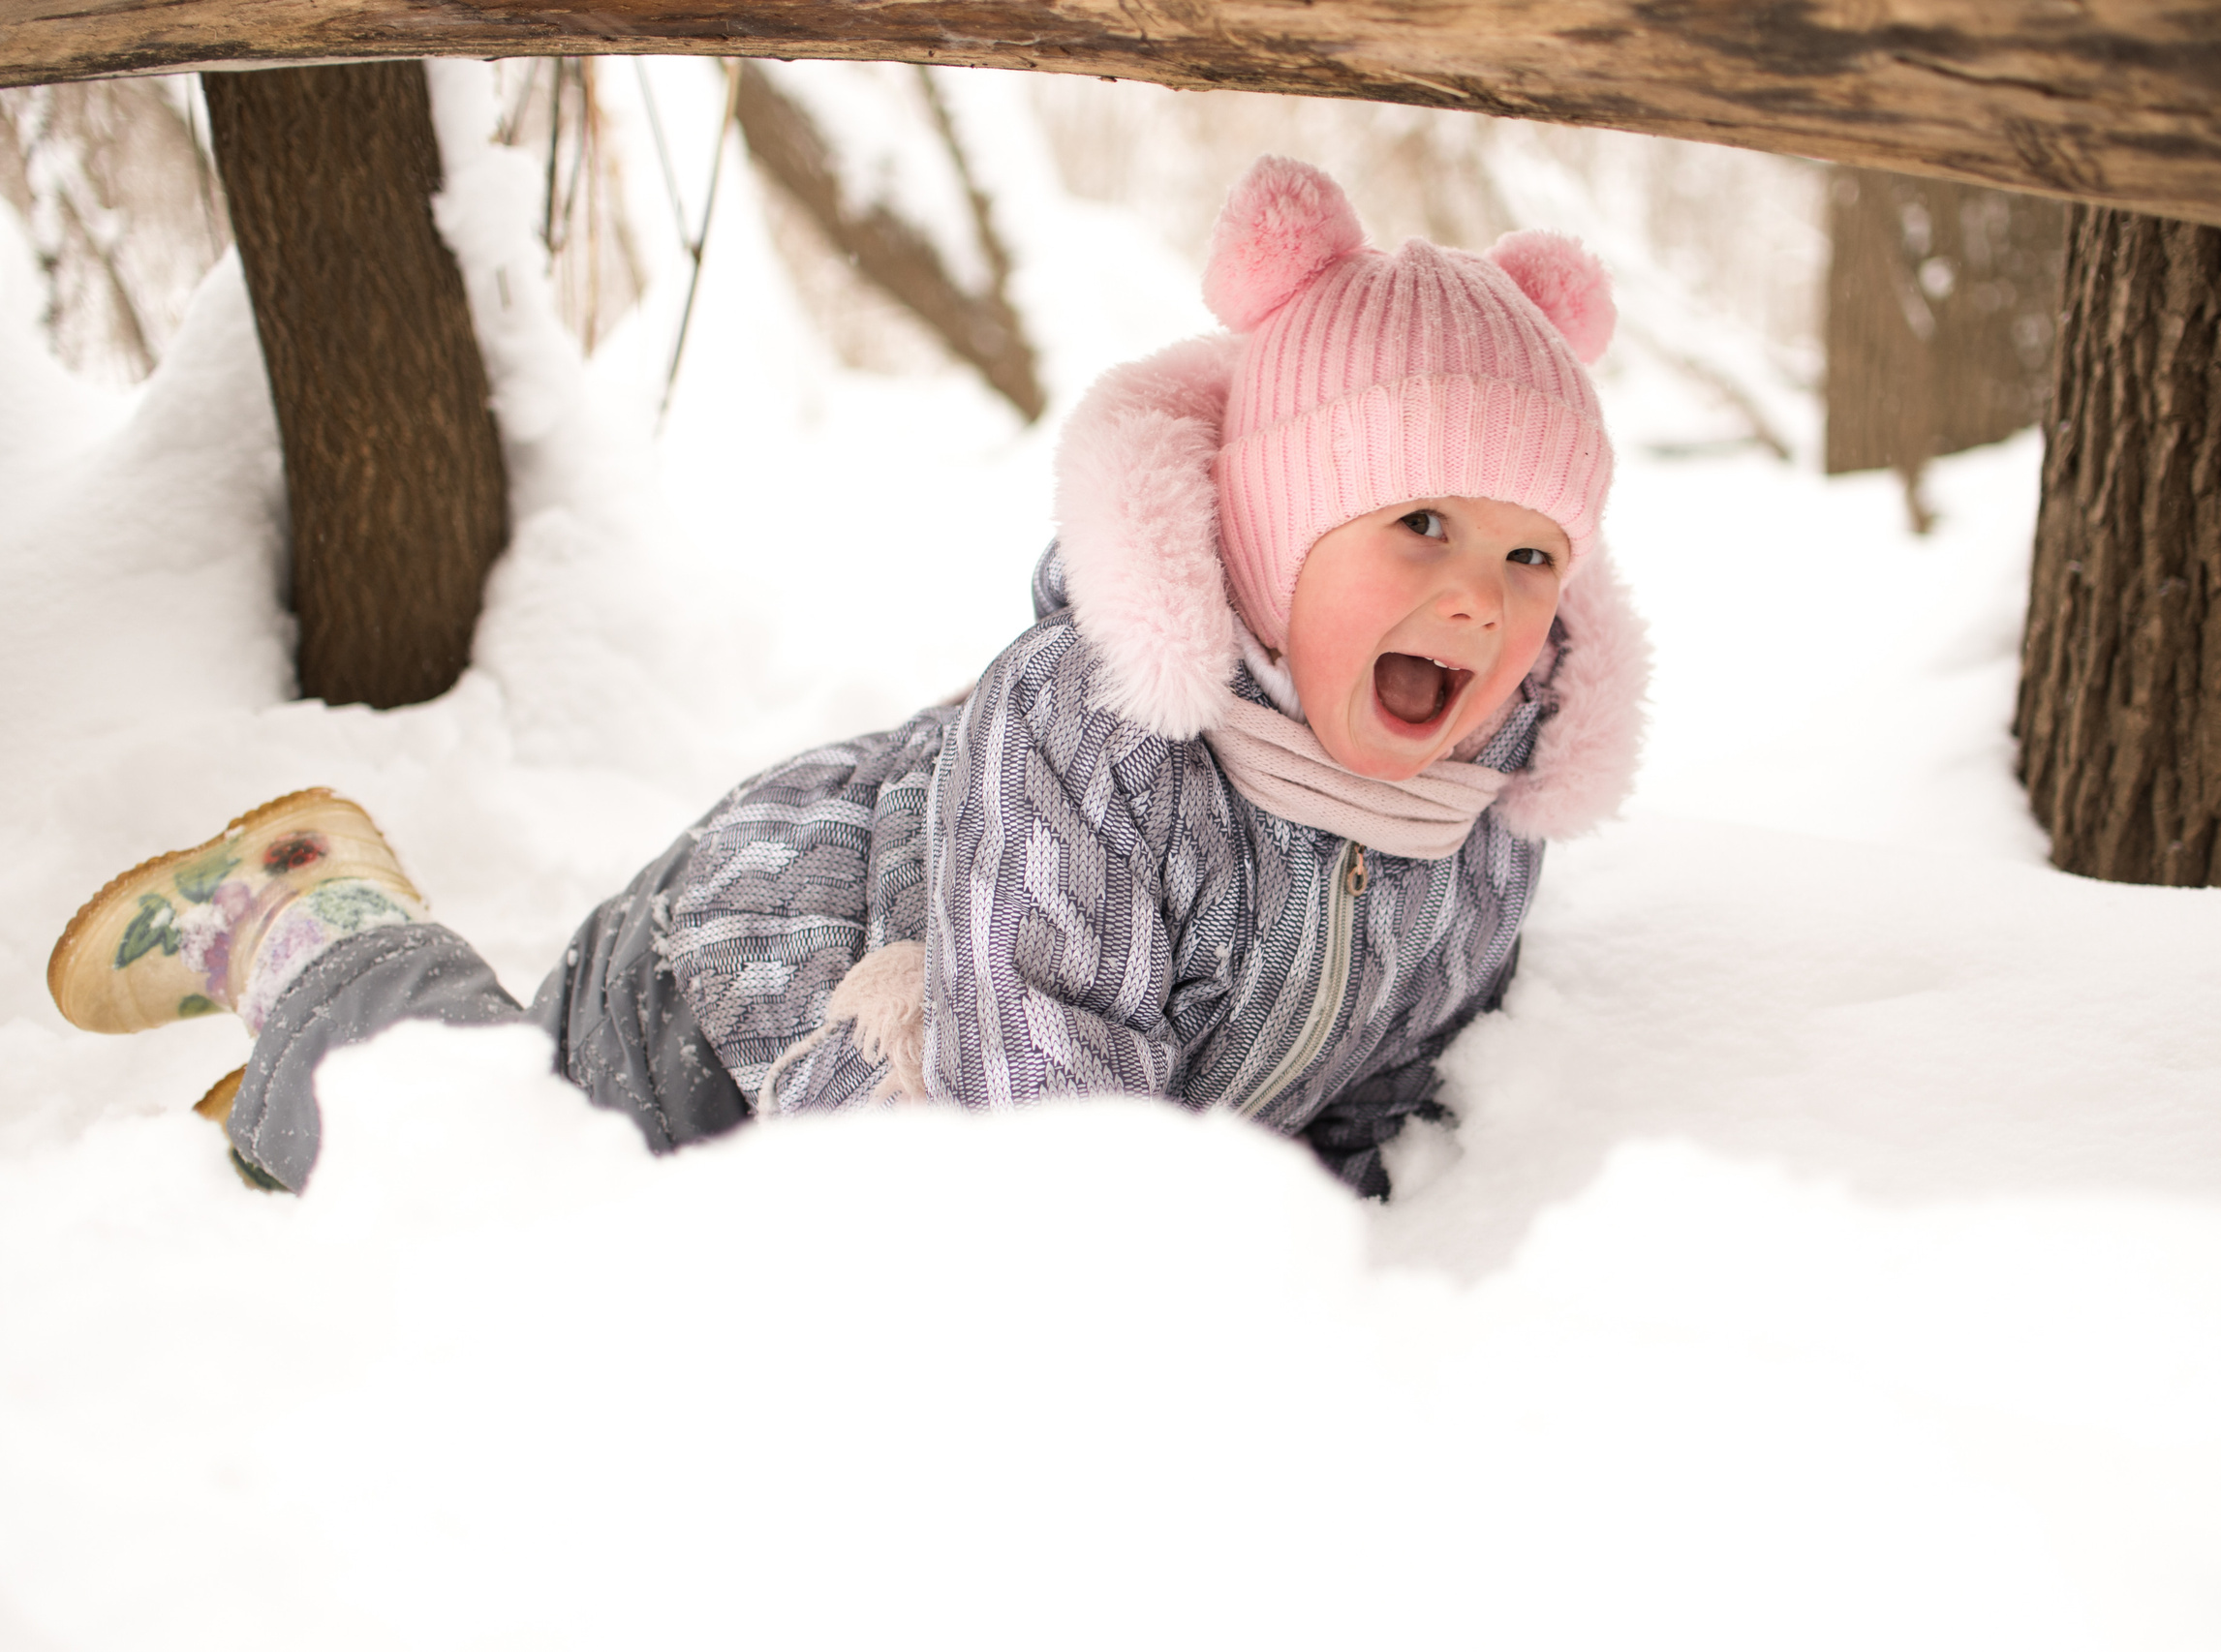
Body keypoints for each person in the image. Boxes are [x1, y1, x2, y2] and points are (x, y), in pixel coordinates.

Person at [46, 156, 1649, 1200]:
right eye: (1419, 523)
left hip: (927, 1152)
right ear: (1276, 526)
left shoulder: (1479, 824)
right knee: (497, 1184)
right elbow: (1044, 1139)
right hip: (735, 1015)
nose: (1479, 598)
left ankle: (332, 1068)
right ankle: (313, 931)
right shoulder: (1103, 732)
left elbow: (1373, 1084)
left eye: (1532, 555)